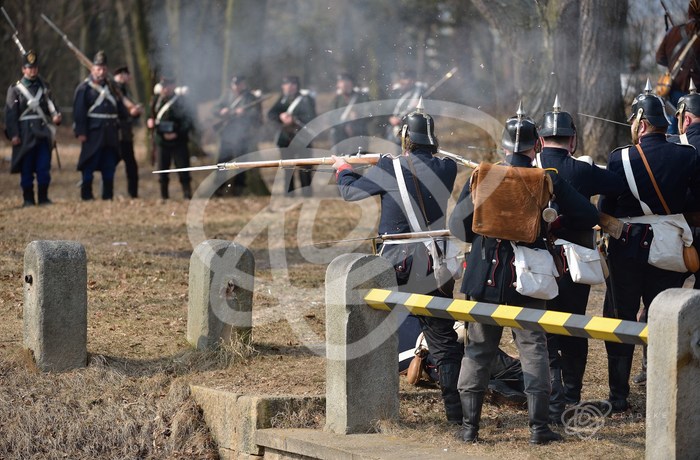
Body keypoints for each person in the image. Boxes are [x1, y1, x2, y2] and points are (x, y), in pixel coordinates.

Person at [449, 105, 598, 444]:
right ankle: (538, 429)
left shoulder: (483, 175)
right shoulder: (548, 179)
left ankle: (470, 429)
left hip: (485, 274)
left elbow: (458, 227)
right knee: (534, 350)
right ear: (537, 146)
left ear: (503, 147)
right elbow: (588, 214)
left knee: (477, 352)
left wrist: (486, 232)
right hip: (528, 279)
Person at [331, 103, 464, 425]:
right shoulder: (448, 169)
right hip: (435, 261)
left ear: (405, 138)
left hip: (398, 260)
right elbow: (426, 163)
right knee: (443, 335)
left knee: (376, 325)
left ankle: (375, 404)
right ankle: (456, 413)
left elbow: (350, 191)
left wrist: (342, 167)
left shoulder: (390, 167)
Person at [599, 80, 700, 413]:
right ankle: (663, 392)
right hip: (669, 248)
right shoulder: (685, 155)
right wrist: (667, 211)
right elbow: (695, 201)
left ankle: (618, 397)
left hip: (627, 248)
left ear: (640, 122)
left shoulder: (621, 157)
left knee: (621, 318)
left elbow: (608, 204)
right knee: (665, 320)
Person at [535, 96, 628, 423]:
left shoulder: (528, 169)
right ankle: (571, 396)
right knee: (573, 327)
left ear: (541, 139)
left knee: (540, 330)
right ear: (572, 140)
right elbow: (618, 184)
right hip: (574, 261)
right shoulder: (583, 169)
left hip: (533, 261)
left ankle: (547, 394)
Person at [5, 50, 61, 206]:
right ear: (24, 69)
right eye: (29, 68)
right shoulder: (15, 90)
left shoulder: (44, 87)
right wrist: (14, 134)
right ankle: (28, 199)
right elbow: (10, 115)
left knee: (43, 167)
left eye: (35, 67)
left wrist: (56, 116)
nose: (33, 70)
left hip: (42, 132)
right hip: (24, 133)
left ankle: (43, 197)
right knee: (27, 168)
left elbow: (53, 107)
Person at [73, 51, 128, 201]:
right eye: (98, 69)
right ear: (92, 69)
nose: (101, 72)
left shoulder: (113, 88)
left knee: (109, 165)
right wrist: (81, 132)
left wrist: (131, 111)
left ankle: (107, 196)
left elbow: (121, 109)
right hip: (93, 133)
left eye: (103, 69)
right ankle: (86, 195)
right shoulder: (84, 88)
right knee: (89, 165)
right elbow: (79, 112)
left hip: (110, 133)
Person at [212, 75, 262, 195]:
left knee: (241, 162)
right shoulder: (227, 96)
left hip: (243, 134)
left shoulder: (250, 97)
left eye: (239, 84)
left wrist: (243, 114)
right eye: (235, 84)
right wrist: (221, 111)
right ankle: (219, 188)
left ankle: (239, 189)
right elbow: (214, 109)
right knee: (223, 161)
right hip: (227, 134)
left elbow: (256, 116)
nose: (237, 86)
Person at [267, 75, 316, 196]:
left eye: (292, 84)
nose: (289, 86)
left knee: (305, 168)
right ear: (283, 86)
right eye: (286, 84)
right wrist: (281, 117)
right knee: (287, 168)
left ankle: (306, 193)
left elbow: (311, 116)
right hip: (286, 139)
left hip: (303, 138)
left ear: (297, 86)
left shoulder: (305, 99)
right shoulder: (282, 100)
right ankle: (289, 193)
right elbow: (270, 114)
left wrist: (293, 119)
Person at [656, 0, 700, 134]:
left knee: (673, 128)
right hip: (697, 92)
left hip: (674, 89)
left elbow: (660, 58)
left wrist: (674, 63)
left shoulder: (674, 31)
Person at [147, 76, 194, 200]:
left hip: (178, 140)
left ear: (173, 86)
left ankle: (187, 194)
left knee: (183, 169)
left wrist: (177, 133)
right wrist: (150, 122)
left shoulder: (181, 101)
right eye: (163, 87)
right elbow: (150, 116)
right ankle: (164, 196)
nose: (165, 89)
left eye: (167, 86)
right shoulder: (156, 101)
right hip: (161, 141)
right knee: (162, 170)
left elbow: (188, 121)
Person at [113, 66, 143, 198]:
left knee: (131, 166)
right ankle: (106, 194)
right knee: (109, 166)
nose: (130, 77)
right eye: (127, 75)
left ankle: (133, 194)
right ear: (121, 75)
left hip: (126, 134)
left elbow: (130, 109)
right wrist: (130, 111)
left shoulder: (124, 90)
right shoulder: (113, 89)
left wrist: (135, 112)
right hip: (114, 133)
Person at [329, 73, 370, 152]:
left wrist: (358, 116)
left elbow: (370, 115)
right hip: (341, 138)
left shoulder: (361, 97)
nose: (343, 85)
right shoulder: (337, 100)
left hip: (358, 137)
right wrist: (344, 126)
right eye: (341, 82)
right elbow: (331, 118)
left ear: (351, 83)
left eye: (346, 82)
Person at [385, 70, 425, 144]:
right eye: (402, 79)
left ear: (412, 80)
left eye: (406, 79)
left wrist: (420, 106)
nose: (403, 82)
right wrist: (390, 118)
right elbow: (387, 108)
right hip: (394, 127)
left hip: (410, 128)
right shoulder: (395, 92)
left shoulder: (419, 92)